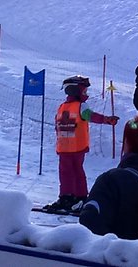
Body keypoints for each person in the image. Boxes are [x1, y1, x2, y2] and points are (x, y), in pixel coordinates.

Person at [45, 75, 120, 213]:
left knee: (67, 172)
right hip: (73, 146)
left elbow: (87, 117)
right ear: (75, 91)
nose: (86, 94)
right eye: (84, 91)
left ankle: (68, 197)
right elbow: (89, 116)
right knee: (76, 171)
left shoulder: (64, 107)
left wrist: (106, 120)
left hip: (68, 147)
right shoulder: (78, 106)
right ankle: (80, 196)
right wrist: (107, 120)